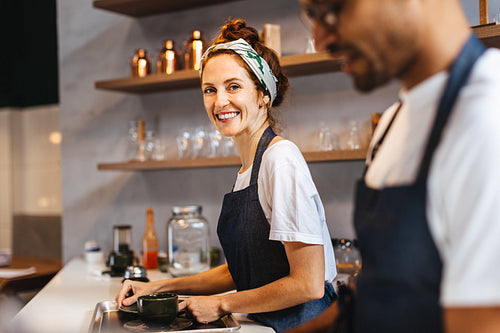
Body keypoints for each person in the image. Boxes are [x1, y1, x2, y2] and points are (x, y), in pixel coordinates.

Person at [286, 0, 500, 333]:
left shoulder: (486, 118)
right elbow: (383, 282)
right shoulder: (391, 123)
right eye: (311, 17)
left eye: (332, 8)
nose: (320, 40)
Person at [116, 19, 337, 333]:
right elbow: (245, 270)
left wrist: (221, 303)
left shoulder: (280, 159)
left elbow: (308, 284)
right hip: (266, 324)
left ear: (263, 94)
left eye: (234, 86)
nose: (220, 102)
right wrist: (158, 287)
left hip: (305, 325)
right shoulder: (249, 168)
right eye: (210, 89)